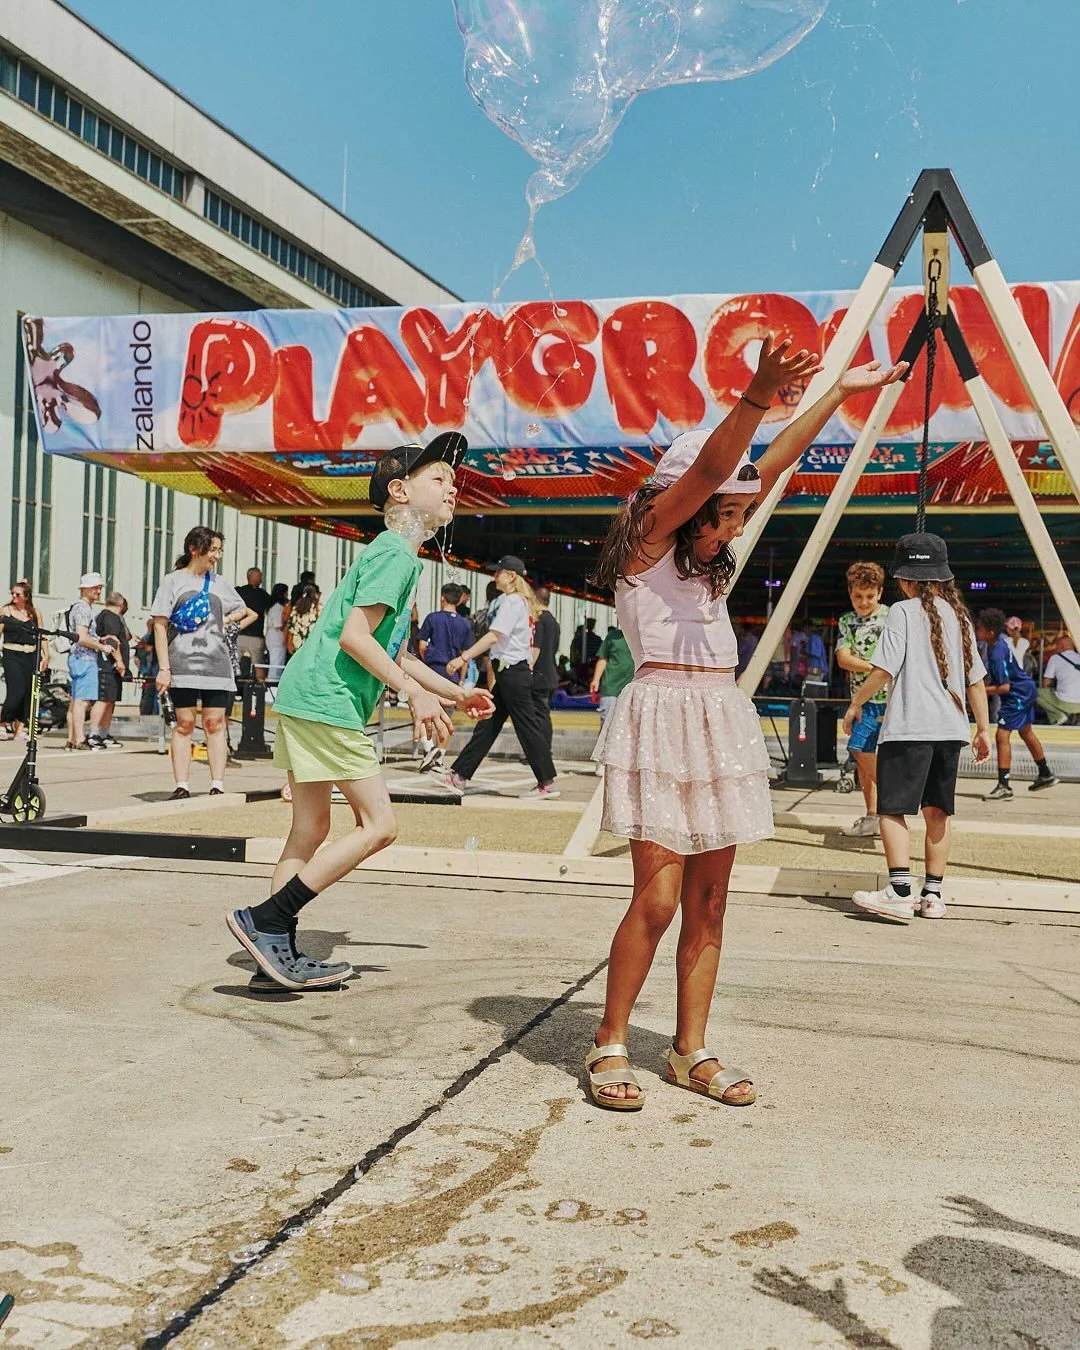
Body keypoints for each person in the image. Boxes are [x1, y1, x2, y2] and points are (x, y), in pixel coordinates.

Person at [583, 339, 905, 1110]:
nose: (731, 525)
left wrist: (837, 393)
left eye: (738, 513)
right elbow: (708, 471)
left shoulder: (708, 551)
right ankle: (610, 1040)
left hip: (719, 714)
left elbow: (772, 465)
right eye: (722, 513)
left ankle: (689, 1049)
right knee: (657, 899)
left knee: (711, 901)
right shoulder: (647, 540)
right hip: (662, 716)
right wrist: (757, 396)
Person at [225, 433, 493, 990]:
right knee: (379, 825)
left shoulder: (394, 553)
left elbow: (392, 651)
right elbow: (354, 638)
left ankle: (272, 955)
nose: (453, 489)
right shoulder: (395, 555)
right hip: (328, 701)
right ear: (400, 491)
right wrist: (413, 693)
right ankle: (266, 919)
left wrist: (451, 693)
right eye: (439, 479)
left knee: (309, 828)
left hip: (306, 695)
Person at [845, 534, 991, 922]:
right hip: (951, 728)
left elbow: (884, 669)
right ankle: (933, 896)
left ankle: (898, 891)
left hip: (910, 726)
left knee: (892, 810)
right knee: (938, 812)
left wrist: (856, 704)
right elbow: (976, 680)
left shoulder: (903, 612)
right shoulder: (960, 616)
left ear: (905, 579)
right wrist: (983, 729)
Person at [151, 527, 256, 800]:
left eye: (219, 550)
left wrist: (224, 622)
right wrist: (164, 668)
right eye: (213, 550)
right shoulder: (173, 581)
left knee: (215, 722)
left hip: (216, 664)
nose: (217, 556)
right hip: (181, 663)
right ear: (194, 549)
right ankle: (182, 784)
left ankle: (217, 784)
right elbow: (159, 626)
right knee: (184, 723)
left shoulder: (220, 583)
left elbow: (242, 609)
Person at [444, 557, 560, 799]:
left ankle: (546, 782)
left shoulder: (513, 601)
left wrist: (463, 657)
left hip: (512, 671)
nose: (494, 576)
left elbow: (494, 636)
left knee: (525, 726)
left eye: (499, 572)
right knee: (490, 723)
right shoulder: (519, 601)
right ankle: (460, 774)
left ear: (511, 576)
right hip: (510, 671)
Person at [977, 608, 1057, 799]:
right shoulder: (999, 642)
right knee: (1026, 731)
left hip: (1018, 694)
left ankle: (1004, 786)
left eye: (979, 628)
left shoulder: (997, 652)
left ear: (990, 632)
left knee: (1002, 735)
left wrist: (977, 692)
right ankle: (1045, 773)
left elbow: (1004, 687)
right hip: (1025, 689)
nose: (976, 630)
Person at [835, 562, 890, 838]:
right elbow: (842, 659)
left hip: (888, 699)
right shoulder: (847, 620)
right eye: (858, 596)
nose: (864, 602)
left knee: (859, 748)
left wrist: (872, 668)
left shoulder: (891, 617)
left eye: (870, 596)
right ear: (850, 593)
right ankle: (873, 814)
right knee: (862, 758)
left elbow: (849, 658)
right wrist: (877, 668)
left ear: (880, 593)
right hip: (861, 698)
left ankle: (891, 799)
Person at [415, 583, 472, 772]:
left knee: (423, 711)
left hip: (433, 671)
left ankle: (428, 748)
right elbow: (465, 656)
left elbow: (422, 645)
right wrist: (461, 679)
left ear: (442, 598)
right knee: (446, 717)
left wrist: (426, 661)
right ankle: (439, 758)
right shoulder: (465, 624)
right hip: (452, 674)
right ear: (460, 600)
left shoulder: (432, 618)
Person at [66, 572, 122, 750]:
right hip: (85, 658)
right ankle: (80, 739)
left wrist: (99, 639)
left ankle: (72, 739)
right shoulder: (83, 609)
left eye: (99, 588)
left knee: (76, 701)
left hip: (77, 657)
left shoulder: (78, 607)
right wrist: (102, 647)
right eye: (95, 588)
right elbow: (82, 637)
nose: (98, 591)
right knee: (83, 701)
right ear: (85, 589)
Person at [0, 581, 47, 740]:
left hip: (30, 654)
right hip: (12, 654)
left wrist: (46, 655)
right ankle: (3, 722)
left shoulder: (34, 613)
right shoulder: (6, 611)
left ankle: (20, 728)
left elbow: (42, 635)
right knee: (16, 690)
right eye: (12, 593)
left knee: (28, 691)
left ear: (26, 596)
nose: (14, 596)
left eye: (18, 594)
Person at [87, 591, 130, 750]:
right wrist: (119, 661)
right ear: (122, 604)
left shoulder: (106, 616)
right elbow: (111, 640)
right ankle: (94, 734)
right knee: (103, 699)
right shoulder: (110, 617)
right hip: (107, 665)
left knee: (110, 700)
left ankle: (104, 733)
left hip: (111, 667)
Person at [531, 584, 561, 764]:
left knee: (538, 716)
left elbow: (536, 648)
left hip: (539, 675)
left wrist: (528, 667)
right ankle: (544, 750)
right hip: (551, 674)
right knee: (543, 714)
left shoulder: (539, 620)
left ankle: (542, 752)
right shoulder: (554, 622)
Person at [589, 624, 634, 723]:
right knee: (607, 722)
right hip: (611, 687)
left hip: (633, 687)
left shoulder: (642, 637)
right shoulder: (612, 636)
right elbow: (603, 659)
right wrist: (595, 680)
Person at [236, 567, 273, 679]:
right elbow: (270, 611)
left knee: (233, 664)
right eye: (260, 576)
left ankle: (231, 687)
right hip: (255, 636)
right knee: (258, 666)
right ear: (253, 577)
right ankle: (260, 688)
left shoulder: (238, 592)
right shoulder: (263, 595)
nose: (261, 579)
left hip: (239, 633)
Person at [1038, 632, 1080, 726]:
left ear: (1061, 646)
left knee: (1034, 692)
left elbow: (1046, 683)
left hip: (1065, 703)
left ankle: (1057, 715)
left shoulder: (1055, 658)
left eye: (1056, 645)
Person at [265, 583, 289, 685]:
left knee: (277, 663)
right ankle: (272, 684)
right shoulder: (277, 608)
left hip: (275, 639)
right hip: (276, 639)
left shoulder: (276, 607)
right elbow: (278, 624)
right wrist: (288, 622)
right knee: (276, 665)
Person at [286, 585, 321, 655]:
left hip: (297, 643)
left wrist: (289, 643)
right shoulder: (317, 608)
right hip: (312, 644)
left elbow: (290, 627)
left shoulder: (296, 608)